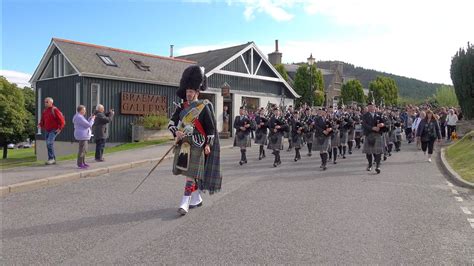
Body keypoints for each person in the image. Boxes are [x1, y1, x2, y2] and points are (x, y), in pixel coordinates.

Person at [168, 65, 222, 215]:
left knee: (191, 174)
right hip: (184, 144)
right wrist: (176, 132)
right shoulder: (181, 106)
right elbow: (171, 123)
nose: (188, 94)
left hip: (198, 144)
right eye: (187, 91)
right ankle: (196, 197)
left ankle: (184, 202)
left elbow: (210, 129)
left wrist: (208, 145)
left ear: (197, 92)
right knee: (188, 173)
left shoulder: (204, 106)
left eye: (191, 92)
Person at [38, 97, 65, 165]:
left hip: (54, 130)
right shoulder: (45, 111)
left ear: (51, 102)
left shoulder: (55, 109)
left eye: (47, 102)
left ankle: (51, 159)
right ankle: (53, 159)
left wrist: (60, 128)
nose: (45, 103)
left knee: (49, 143)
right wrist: (40, 125)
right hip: (47, 130)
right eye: (45, 102)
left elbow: (62, 120)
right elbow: (43, 120)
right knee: (49, 144)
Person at [362, 102, 386, 174]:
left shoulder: (380, 115)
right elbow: (364, 125)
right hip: (369, 134)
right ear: (368, 107)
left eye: (372, 106)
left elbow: (387, 122)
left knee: (378, 151)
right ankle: (370, 164)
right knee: (369, 152)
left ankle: (378, 166)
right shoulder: (365, 115)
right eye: (369, 106)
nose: (371, 108)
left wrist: (383, 124)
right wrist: (372, 128)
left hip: (378, 135)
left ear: (375, 107)